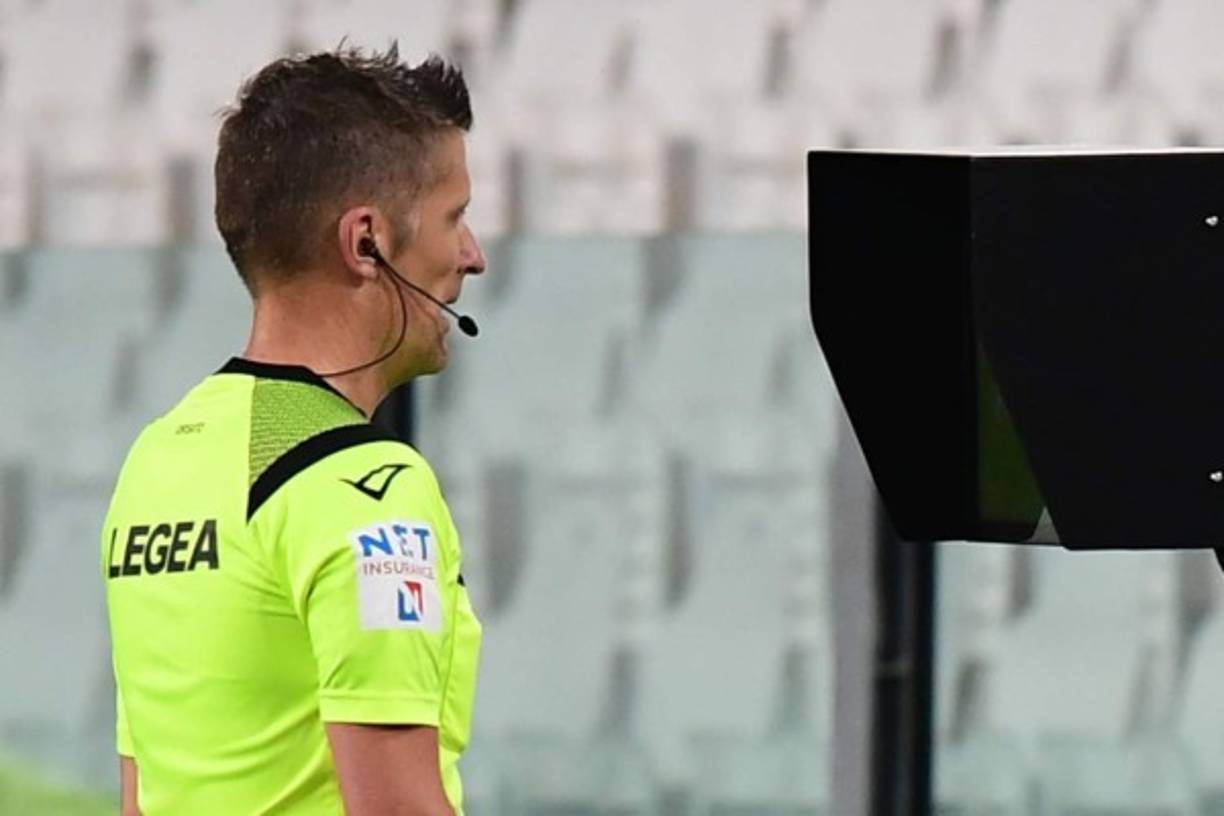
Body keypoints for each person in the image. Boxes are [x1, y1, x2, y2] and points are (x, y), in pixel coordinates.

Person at [102, 45, 485, 815]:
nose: (472, 257)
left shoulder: (156, 458)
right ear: (366, 241)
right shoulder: (369, 489)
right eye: (456, 218)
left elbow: (142, 796)